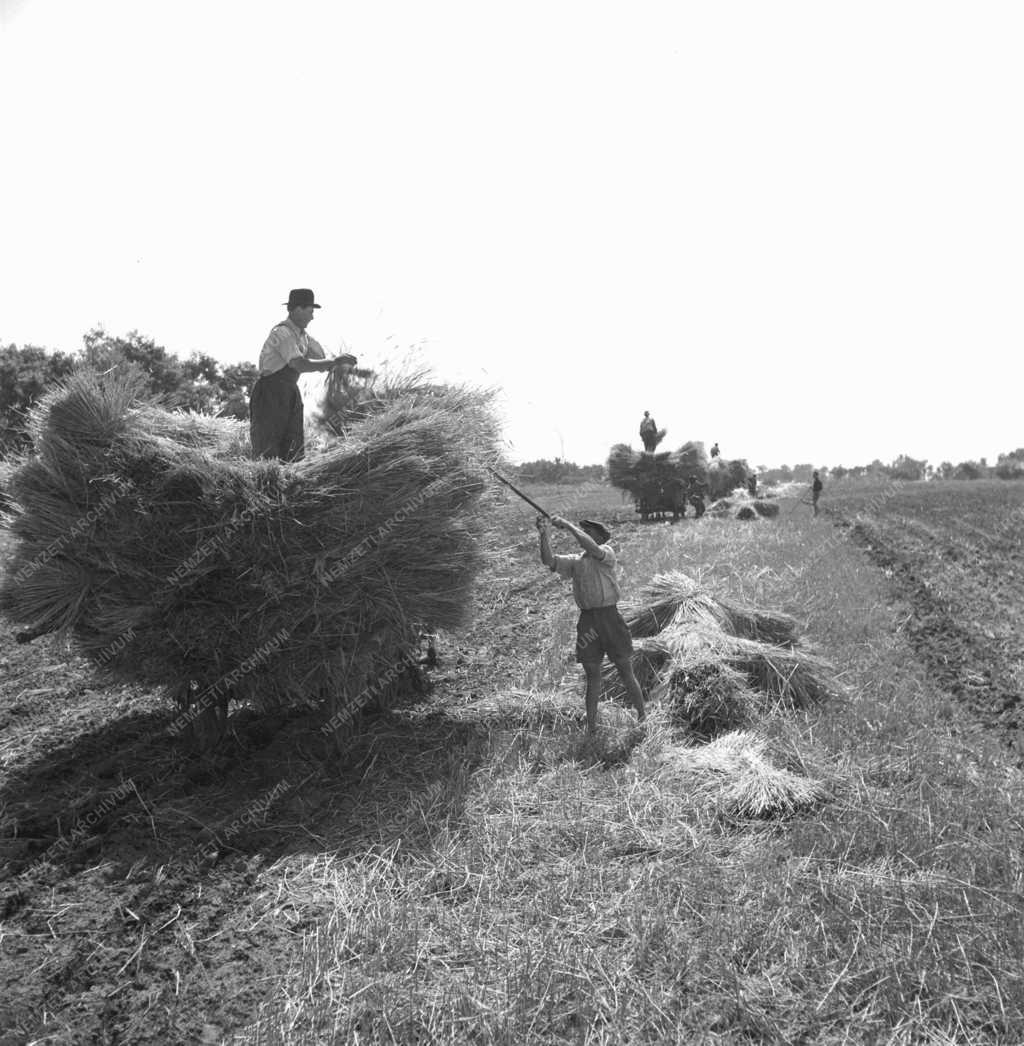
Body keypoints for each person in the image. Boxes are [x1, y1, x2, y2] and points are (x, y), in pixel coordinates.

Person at [537, 515, 646, 733]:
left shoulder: (606, 553)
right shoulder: (576, 561)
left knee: (625, 669)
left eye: (588, 532)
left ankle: (643, 717)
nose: (584, 535)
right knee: (592, 673)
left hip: (610, 618)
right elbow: (549, 561)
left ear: (597, 537)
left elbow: (588, 545)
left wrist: (568, 526)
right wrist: (543, 534)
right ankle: (591, 727)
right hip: (588, 621)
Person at [250, 289, 357, 461]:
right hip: (271, 392)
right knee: (268, 447)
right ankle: (266, 481)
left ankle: (290, 480)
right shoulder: (282, 333)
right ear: (298, 309)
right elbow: (299, 364)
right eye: (310, 312)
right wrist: (334, 362)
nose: (312, 317)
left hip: (290, 392)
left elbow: (321, 358)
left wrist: (339, 367)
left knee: (293, 446)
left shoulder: (304, 337)